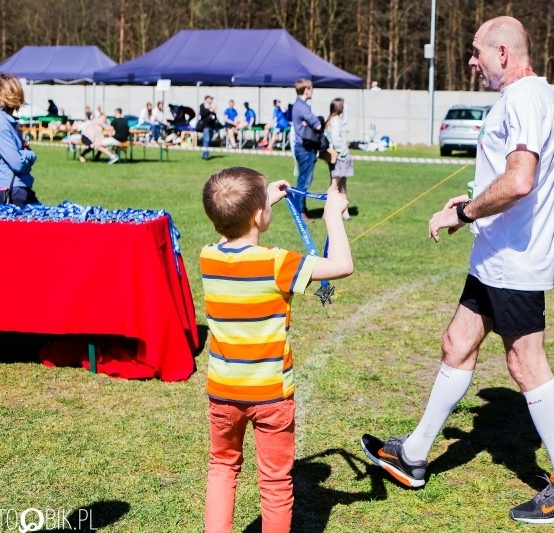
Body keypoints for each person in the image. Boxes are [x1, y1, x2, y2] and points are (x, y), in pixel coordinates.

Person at [360, 16, 554, 525]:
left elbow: (520, 181)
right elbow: (505, 181)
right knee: (456, 344)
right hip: (494, 256)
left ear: (504, 53)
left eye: (476, 51)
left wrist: (462, 214)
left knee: (525, 364)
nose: (471, 60)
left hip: (515, 261)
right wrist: (474, 201)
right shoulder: (531, 99)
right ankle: (415, 455)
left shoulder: (527, 99)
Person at [200, 166, 353, 533]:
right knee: (275, 483)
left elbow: (234, 223)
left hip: (223, 394)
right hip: (271, 396)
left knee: (222, 468)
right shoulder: (277, 263)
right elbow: (342, 266)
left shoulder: (208, 256)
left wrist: (262, 199)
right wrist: (333, 215)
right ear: (258, 216)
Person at [0, 72, 39, 207]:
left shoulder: (8, 122)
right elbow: (18, 163)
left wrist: (23, 154)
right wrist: (31, 155)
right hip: (8, 194)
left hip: (17, 190)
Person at [292, 79, 322, 220]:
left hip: (302, 148)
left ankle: (301, 210)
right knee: (303, 182)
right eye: (311, 88)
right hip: (305, 149)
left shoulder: (298, 105)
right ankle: (300, 212)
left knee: (303, 180)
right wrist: (316, 122)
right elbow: (317, 125)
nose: (313, 91)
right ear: (306, 90)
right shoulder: (302, 106)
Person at [324, 97, 353, 219]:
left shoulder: (334, 120)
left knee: (342, 185)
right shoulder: (335, 121)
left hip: (339, 156)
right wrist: (343, 152)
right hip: (339, 156)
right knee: (335, 184)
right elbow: (336, 141)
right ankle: (327, 211)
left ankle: (344, 212)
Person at [198, 95, 218, 160]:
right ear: (206, 99)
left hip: (211, 126)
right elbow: (202, 114)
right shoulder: (202, 106)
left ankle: (205, 154)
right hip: (205, 126)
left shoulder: (211, 107)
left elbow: (214, 117)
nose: (211, 100)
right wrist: (210, 111)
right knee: (206, 140)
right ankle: (205, 155)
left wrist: (214, 113)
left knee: (209, 141)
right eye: (210, 99)